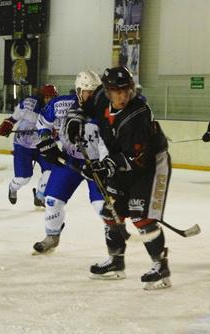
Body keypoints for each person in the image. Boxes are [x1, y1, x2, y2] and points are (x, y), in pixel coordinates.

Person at [66, 66, 172, 290]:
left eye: (126, 90)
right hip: (123, 160)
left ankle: (160, 266)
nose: (122, 95)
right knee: (110, 212)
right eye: (116, 91)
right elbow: (83, 106)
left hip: (150, 165)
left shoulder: (138, 114)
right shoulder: (101, 99)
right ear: (107, 91)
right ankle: (116, 262)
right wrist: (75, 119)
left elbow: (137, 156)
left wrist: (105, 167)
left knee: (141, 217)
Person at [32, 71, 105, 254]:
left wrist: (105, 163)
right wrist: (46, 140)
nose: (92, 95)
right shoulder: (61, 104)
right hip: (69, 159)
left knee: (102, 207)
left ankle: (115, 240)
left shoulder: (105, 109)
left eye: (95, 91)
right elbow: (42, 122)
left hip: (96, 163)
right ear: (79, 90)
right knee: (52, 201)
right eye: (88, 91)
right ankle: (52, 236)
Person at [0, 84, 58, 207]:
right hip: (22, 145)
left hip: (42, 145)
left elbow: (58, 132)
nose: (50, 100)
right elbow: (13, 118)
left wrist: (55, 133)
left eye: (52, 97)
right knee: (24, 178)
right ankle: (13, 187)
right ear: (42, 96)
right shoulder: (29, 104)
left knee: (51, 171)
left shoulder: (56, 110)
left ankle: (40, 196)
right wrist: (7, 124)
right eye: (47, 97)